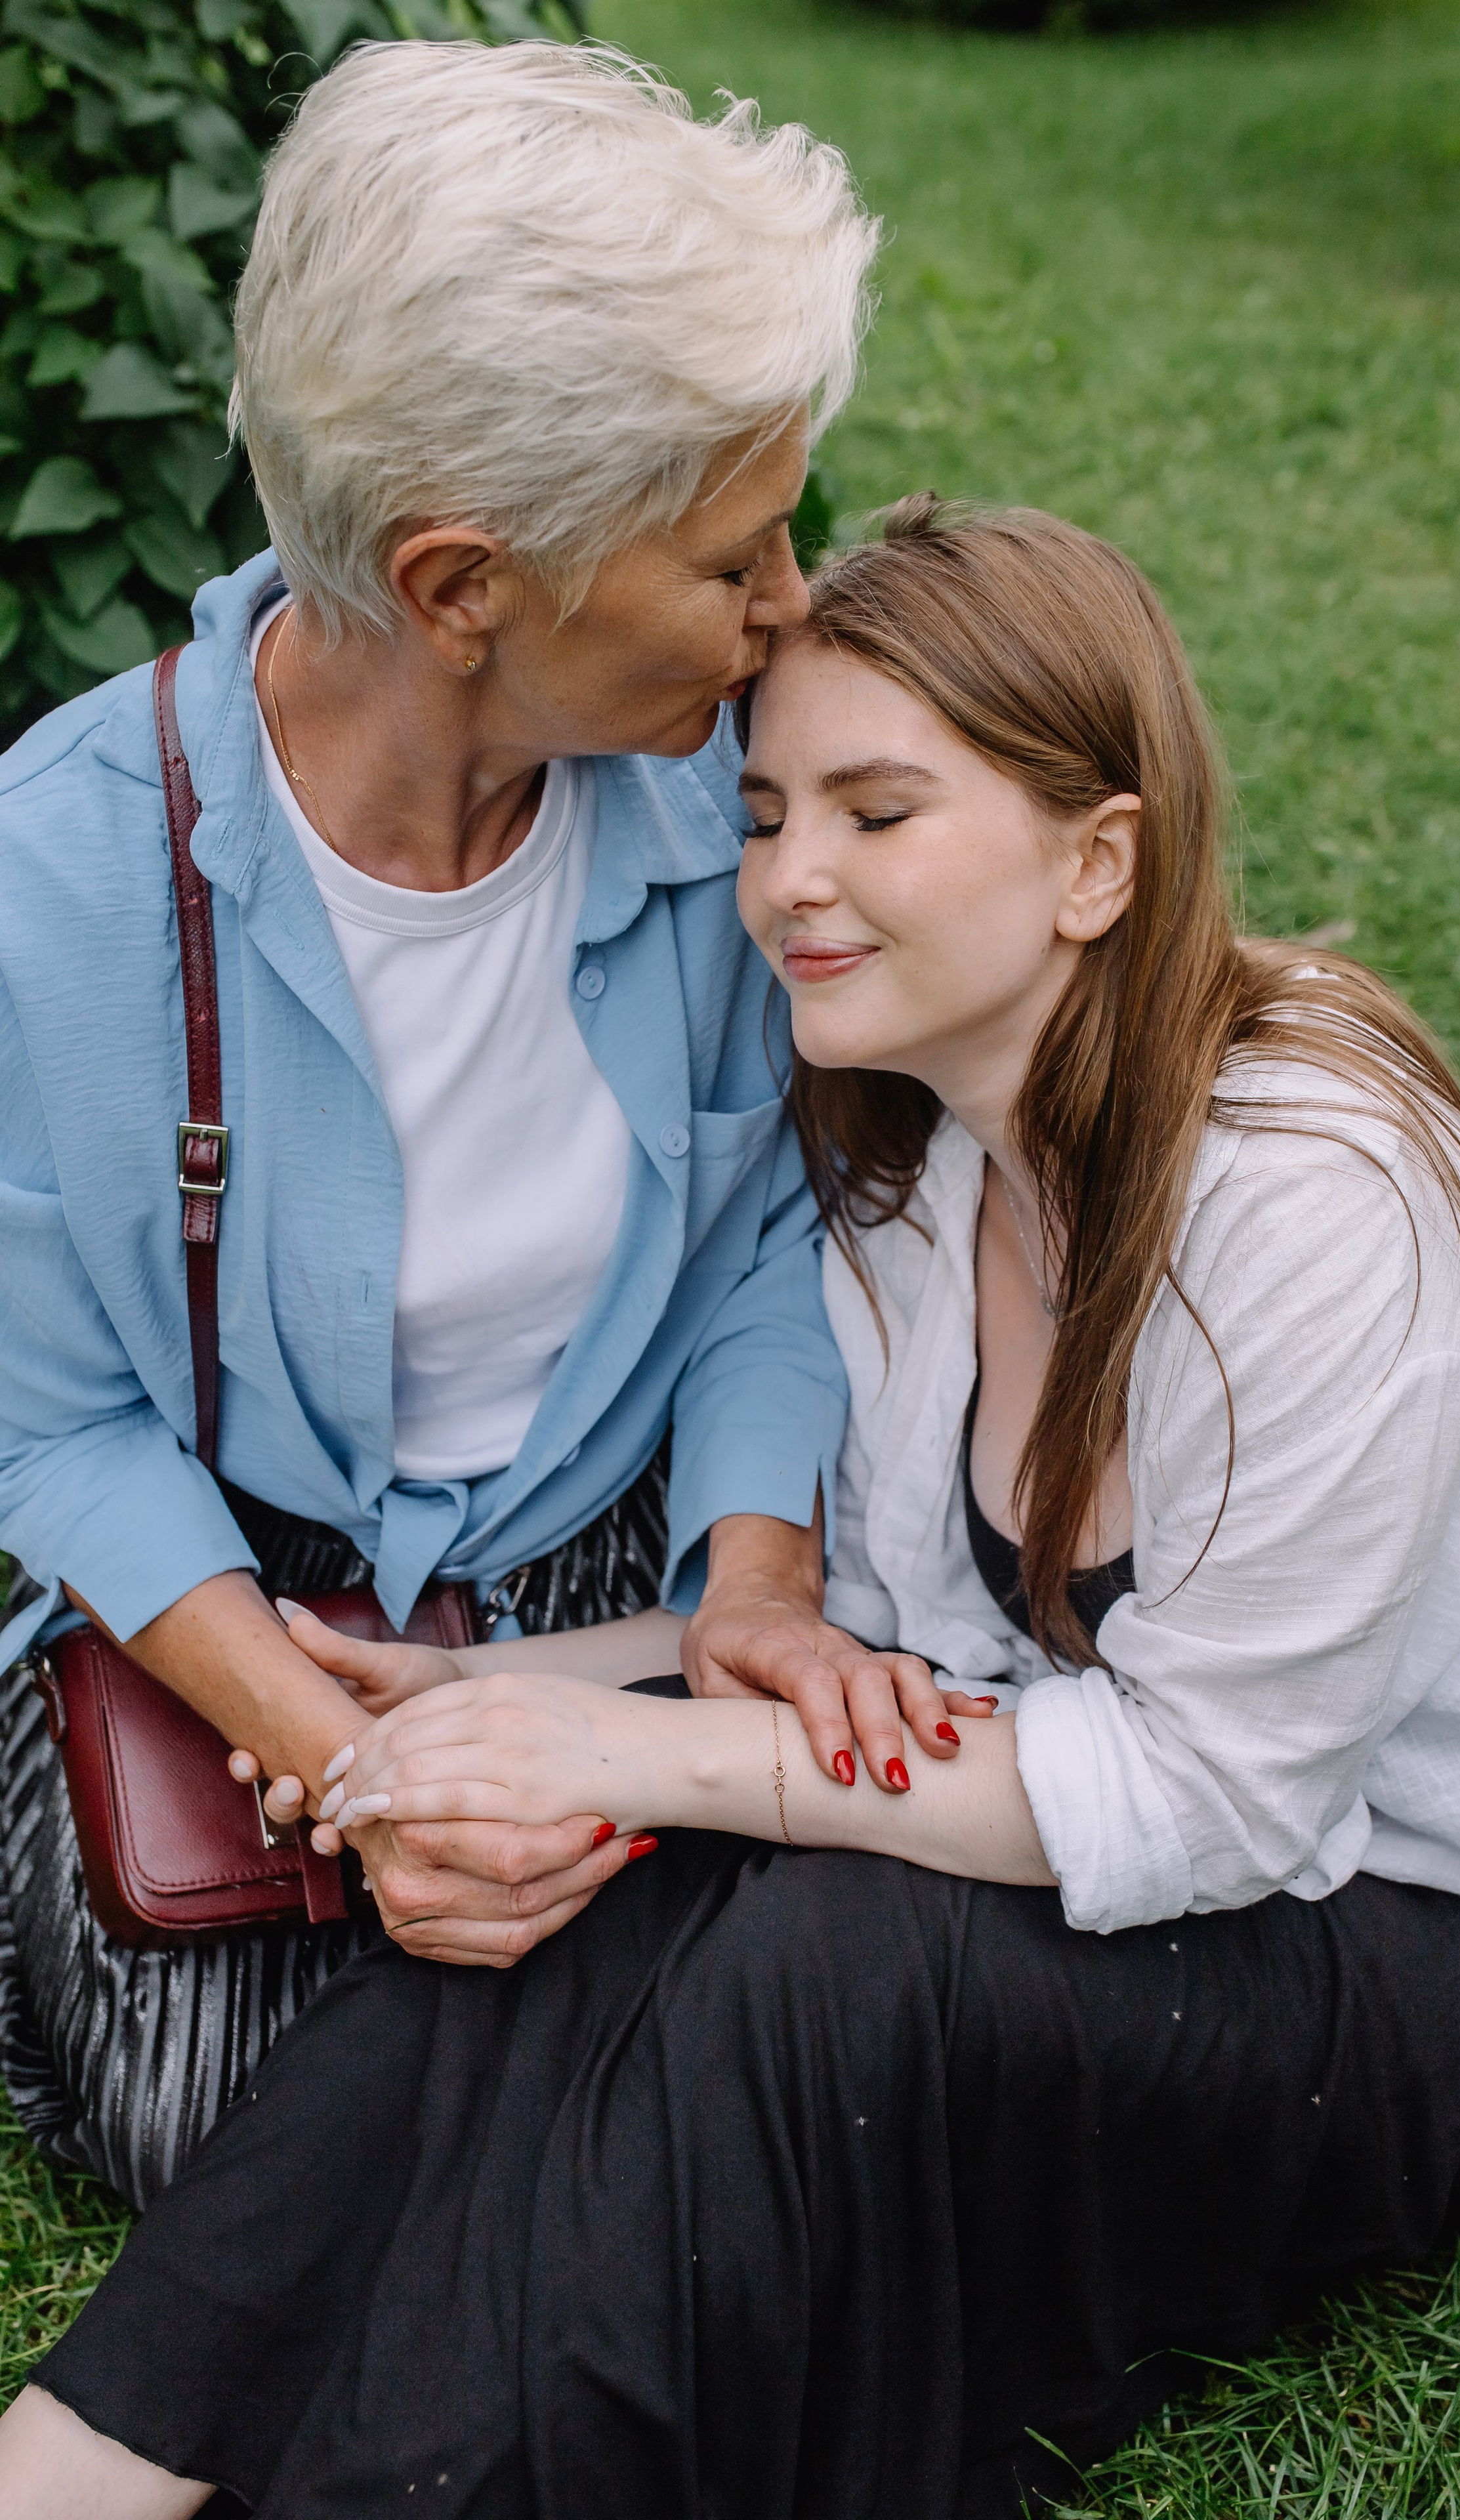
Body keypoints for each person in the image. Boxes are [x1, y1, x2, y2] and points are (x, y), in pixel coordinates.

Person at [5, 502, 1460, 2519]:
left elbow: (1225, 1803)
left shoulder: (1322, 1203)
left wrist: (649, 1753)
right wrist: (501, 1703)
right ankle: (83, 2461)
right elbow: (868, 1652)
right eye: (768, 810)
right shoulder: (913, 1157)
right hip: (1138, 1796)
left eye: (876, 815)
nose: (787, 878)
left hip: (1456, 1914)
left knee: (823, 1949)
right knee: (625, 1876)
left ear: (1099, 862)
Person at [0, 35, 928, 2208]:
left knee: (829, 2014)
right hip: (245, 1591)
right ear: (456, 588)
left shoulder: (731, 809)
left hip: (627, 1548)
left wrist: (761, 1574)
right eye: (730, 555)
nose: (790, 606)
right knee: (213, 2130)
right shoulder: (55, 875)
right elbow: (57, 1433)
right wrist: (343, 1763)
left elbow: (762, 1246)